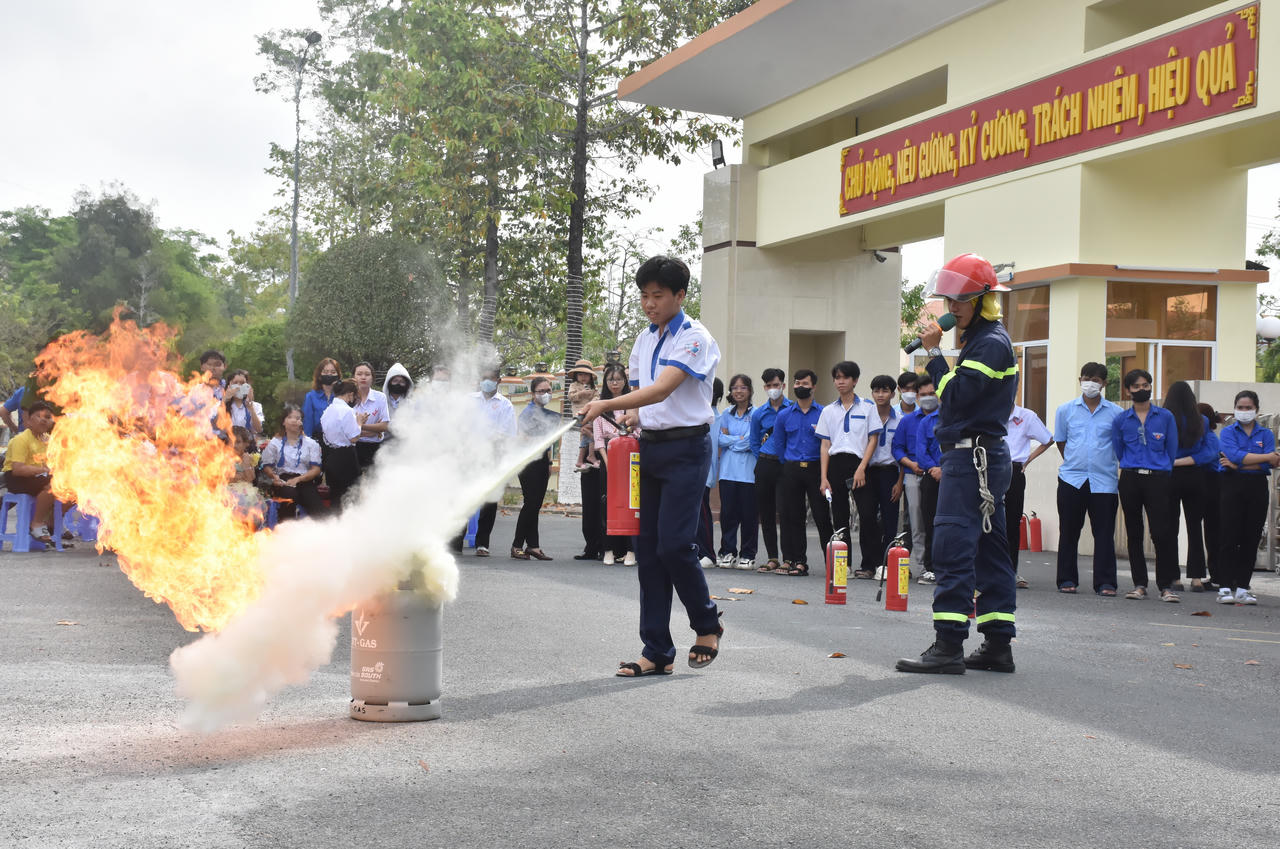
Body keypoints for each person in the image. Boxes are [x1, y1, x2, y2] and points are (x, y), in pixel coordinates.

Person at [580, 255, 722, 678]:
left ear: (680, 295)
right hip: (650, 450)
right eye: (644, 295)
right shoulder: (645, 339)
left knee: (675, 545)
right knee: (648, 552)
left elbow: (662, 391)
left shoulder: (695, 338)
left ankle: (708, 622)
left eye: (657, 295)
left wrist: (607, 402)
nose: (649, 303)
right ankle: (657, 649)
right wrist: (628, 415)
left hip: (688, 449)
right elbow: (644, 397)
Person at [896, 253, 1018, 675]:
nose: (951, 310)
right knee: (989, 549)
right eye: (948, 302)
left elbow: (959, 395)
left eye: (960, 301)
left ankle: (948, 645)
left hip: (972, 459)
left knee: (953, 546)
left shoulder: (989, 343)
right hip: (980, 456)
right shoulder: (982, 340)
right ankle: (998, 645)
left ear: (983, 300)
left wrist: (933, 355)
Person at [1053, 362, 1122, 595]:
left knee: (1103, 533)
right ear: (1079, 380)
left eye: (1095, 379)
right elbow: (1061, 441)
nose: (1090, 383)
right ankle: (1066, 579)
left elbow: (1118, 445)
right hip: (1072, 479)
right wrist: (1076, 461)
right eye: (1086, 378)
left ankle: (1105, 582)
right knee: (1069, 531)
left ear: (1104, 383)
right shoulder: (1065, 410)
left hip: (1104, 481)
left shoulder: (1116, 413)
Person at [1112, 369, 1180, 601]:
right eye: (1137, 386)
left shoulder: (1165, 417)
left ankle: (1166, 585)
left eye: (1146, 385)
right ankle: (1139, 584)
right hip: (1130, 477)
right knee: (1134, 533)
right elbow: (1119, 449)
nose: (1142, 389)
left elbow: (1171, 450)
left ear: (1151, 387)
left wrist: (1160, 469)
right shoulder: (1121, 419)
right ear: (1128, 390)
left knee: (1161, 532)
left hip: (1158, 478)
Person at [1216, 390, 1278, 605]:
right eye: (1240, 408)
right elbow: (1233, 455)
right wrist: (1260, 459)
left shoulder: (1266, 434)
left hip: (1257, 485)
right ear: (1235, 409)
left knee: (1251, 538)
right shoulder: (1228, 432)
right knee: (1229, 537)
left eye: (1248, 408)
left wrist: (1240, 463)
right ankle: (1224, 587)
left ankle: (1243, 587)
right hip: (1232, 484)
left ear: (1256, 410)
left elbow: (1271, 462)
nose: (1244, 412)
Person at [816, 361, 877, 576]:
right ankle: (844, 564)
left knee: (867, 514)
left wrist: (862, 468)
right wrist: (824, 478)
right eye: (837, 378)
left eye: (845, 377)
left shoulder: (868, 407)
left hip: (860, 464)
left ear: (855, 380)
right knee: (839, 516)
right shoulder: (828, 411)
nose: (840, 382)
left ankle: (870, 565)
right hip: (835, 464)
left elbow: (873, 439)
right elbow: (825, 445)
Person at [774, 369, 835, 576]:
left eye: (805, 383)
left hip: (817, 469)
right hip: (791, 469)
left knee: (822, 517)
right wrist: (787, 463)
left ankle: (833, 564)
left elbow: (829, 443)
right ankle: (799, 562)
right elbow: (779, 444)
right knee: (794, 517)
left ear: (814, 387)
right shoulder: (784, 415)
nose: (801, 386)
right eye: (797, 383)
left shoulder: (824, 413)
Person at [1166, 381, 1216, 594]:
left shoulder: (1164, 419)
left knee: (1170, 528)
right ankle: (1196, 578)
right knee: (1195, 527)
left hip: (1168, 476)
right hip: (1196, 476)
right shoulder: (1202, 421)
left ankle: (1173, 577)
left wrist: (1174, 462)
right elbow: (1211, 452)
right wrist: (1191, 460)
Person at [593, 363, 639, 565]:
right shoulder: (600, 405)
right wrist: (608, 462)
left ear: (625, 381)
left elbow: (637, 433)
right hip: (608, 461)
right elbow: (598, 439)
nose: (615, 383)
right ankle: (608, 549)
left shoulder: (633, 404)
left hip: (630, 461)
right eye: (611, 379)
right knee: (607, 504)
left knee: (632, 503)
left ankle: (631, 550)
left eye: (619, 379)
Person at [467, 367, 516, 556]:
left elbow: (507, 434)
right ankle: (456, 541)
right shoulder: (469, 400)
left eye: (491, 378)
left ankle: (482, 544)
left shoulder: (505, 405)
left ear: (498, 380)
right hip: (469, 454)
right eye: (483, 378)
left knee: (489, 501)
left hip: (493, 456)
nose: (486, 381)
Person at [511, 376, 560, 562]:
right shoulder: (528, 414)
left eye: (548, 390)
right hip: (528, 463)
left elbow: (548, 444)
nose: (546, 394)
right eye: (541, 391)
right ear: (533, 394)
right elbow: (523, 439)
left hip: (541, 463)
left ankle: (533, 546)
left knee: (535, 505)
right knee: (531, 504)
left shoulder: (546, 414)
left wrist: (548, 464)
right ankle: (516, 545)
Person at [1003, 403, 1052, 589]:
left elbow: (1047, 439)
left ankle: (1010, 571)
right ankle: (987, 571)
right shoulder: (988, 410)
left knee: (1012, 523)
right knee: (987, 523)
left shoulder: (1026, 416)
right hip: (990, 469)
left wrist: (1027, 460)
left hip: (1015, 469)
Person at [749, 367, 793, 572]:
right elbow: (754, 441)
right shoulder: (759, 413)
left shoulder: (792, 408)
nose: (773, 389)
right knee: (766, 513)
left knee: (786, 512)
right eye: (768, 386)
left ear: (783, 386)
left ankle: (788, 557)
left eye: (776, 385)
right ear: (764, 388)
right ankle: (772, 557)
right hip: (765, 464)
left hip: (786, 466)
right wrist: (763, 459)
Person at [2, 400, 59, 545]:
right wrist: (44, 470)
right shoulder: (21, 439)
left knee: (74, 488)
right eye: (40, 416)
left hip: (38, 477)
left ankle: (50, 523)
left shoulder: (48, 440)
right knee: (54, 484)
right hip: (16, 478)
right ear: (29, 420)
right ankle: (36, 524)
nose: (44, 420)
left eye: (48, 417)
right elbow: (18, 469)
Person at [864, 374, 904, 577]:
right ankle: (872, 563)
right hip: (869, 472)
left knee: (890, 519)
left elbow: (904, 452)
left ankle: (887, 564)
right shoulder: (866, 415)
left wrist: (900, 482)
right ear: (871, 393)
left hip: (890, 473)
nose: (880, 395)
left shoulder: (901, 420)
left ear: (893, 393)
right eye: (876, 391)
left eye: (885, 390)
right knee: (869, 518)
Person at [716, 373, 758, 570]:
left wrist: (732, 439)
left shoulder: (756, 414)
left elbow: (751, 441)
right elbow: (719, 439)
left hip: (749, 473)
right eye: (735, 388)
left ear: (749, 390)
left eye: (742, 387)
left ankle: (748, 554)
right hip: (727, 472)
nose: (738, 391)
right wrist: (738, 439)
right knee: (728, 514)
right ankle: (727, 551)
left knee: (749, 515)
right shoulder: (726, 414)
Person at [259, 404, 326, 519]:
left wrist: (298, 479)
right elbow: (267, 466)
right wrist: (274, 477)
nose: (294, 420)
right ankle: (286, 532)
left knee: (317, 507)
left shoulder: (310, 444)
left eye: (298, 418)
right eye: (290, 417)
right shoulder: (275, 443)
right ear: (283, 422)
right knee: (289, 497)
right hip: (284, 480)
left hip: (305, 479)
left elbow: (316, 469)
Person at [892, 372, 927, 575]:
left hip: (924, 472)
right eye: (906, 389)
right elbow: (897, 448)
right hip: (899, 472)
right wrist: (909, 466)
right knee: (903, 520)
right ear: (899, 390)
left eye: (915, 390)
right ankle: (898, 561)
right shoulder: (896, 415)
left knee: (920, 519)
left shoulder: (932, 416)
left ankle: (924, 565)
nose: (910, 393)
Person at [913, 378, 942, 585]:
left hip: (954, 478)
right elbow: (920, 452)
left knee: (955, 524)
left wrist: (946, 468)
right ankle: (931, 568)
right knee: (931, 523)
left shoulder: (956, 419)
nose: (929, 398)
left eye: (932, 393)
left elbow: (960, 447)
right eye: (924, 394)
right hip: (931, 478)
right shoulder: (926, 422)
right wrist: (934, 469)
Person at [319, 379, 363, 510]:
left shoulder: (327, 410)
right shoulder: (347, 411)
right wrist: (359, 422)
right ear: (350, 394)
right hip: (346, 457)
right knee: (351, 497)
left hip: (331, 456)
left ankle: (335, 525)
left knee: (335, 496)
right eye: (354, 396)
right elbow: (354, 437)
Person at [1196, 401, 1224, 592]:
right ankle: (1216, 574)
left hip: (1213, 484)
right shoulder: (1207, 436)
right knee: (1211, 531)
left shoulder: (1209, 438)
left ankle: (1218, 575)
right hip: (1210, 483)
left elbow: (1206, 459)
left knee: (1214, 531)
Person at [696, 377, 724, 567]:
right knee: (694, 515)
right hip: (693, 471)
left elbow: (714, 450)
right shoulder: (698, 414)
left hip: (704, 473)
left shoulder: (717, 418)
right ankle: (698, 551)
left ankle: (708, 553)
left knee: (703, 514)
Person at [351, 363, 390, 467]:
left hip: (375, 448)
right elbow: (345, 430)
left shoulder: (380, 397)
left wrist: (359, 426)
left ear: (372, 378)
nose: (363, 377)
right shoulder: (348, 397)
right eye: (359, 374)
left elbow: (384, 426)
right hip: (353, 447)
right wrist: (373, 430)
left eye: (367, 374)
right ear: (353, 377)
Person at [228, 426, 266, 526]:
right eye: (231, 441)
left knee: (249, 498)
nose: (234, 445)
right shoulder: (225, 457)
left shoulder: (247, 458)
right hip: (228, 488)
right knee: (233, 499)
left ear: (246, 444)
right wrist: (240, 476)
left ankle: (247, 527)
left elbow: (250, 478)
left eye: (238, 442)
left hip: (245, 488)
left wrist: (245, 466)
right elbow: (226, 478)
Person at [567, 359, 598, 470]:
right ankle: (590, 456)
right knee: (587, 432)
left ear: (590, 376)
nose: (583, 377)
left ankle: (582, 459)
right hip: (579, 415)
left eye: (586, 375)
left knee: (587, 434)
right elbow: (570, 397)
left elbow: (597, 397)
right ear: (576, 375)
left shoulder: (593, 387)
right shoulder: (574, 385)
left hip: (591, 414)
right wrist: (582, 393)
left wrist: (592, 401)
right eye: (580, 374)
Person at [303, 358, 342, 441]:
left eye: (333, 372)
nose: (329, 375)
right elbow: (307, 422)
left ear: (338, 375)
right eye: (325, 372)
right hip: (318, 439)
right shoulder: (311, 396)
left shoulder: (343, 396)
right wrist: (308, 442)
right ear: (319, 375)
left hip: (340, 439)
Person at [223, 369, 261, 437]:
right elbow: (213, 424)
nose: (238, 386)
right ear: (229, 385)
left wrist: (251, 408)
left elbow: (259, 429)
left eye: (242, 383)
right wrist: (224, 400)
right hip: (226, 445)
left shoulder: (256, 406)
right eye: (235, 383)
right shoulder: (219, 405)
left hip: (247, 444)